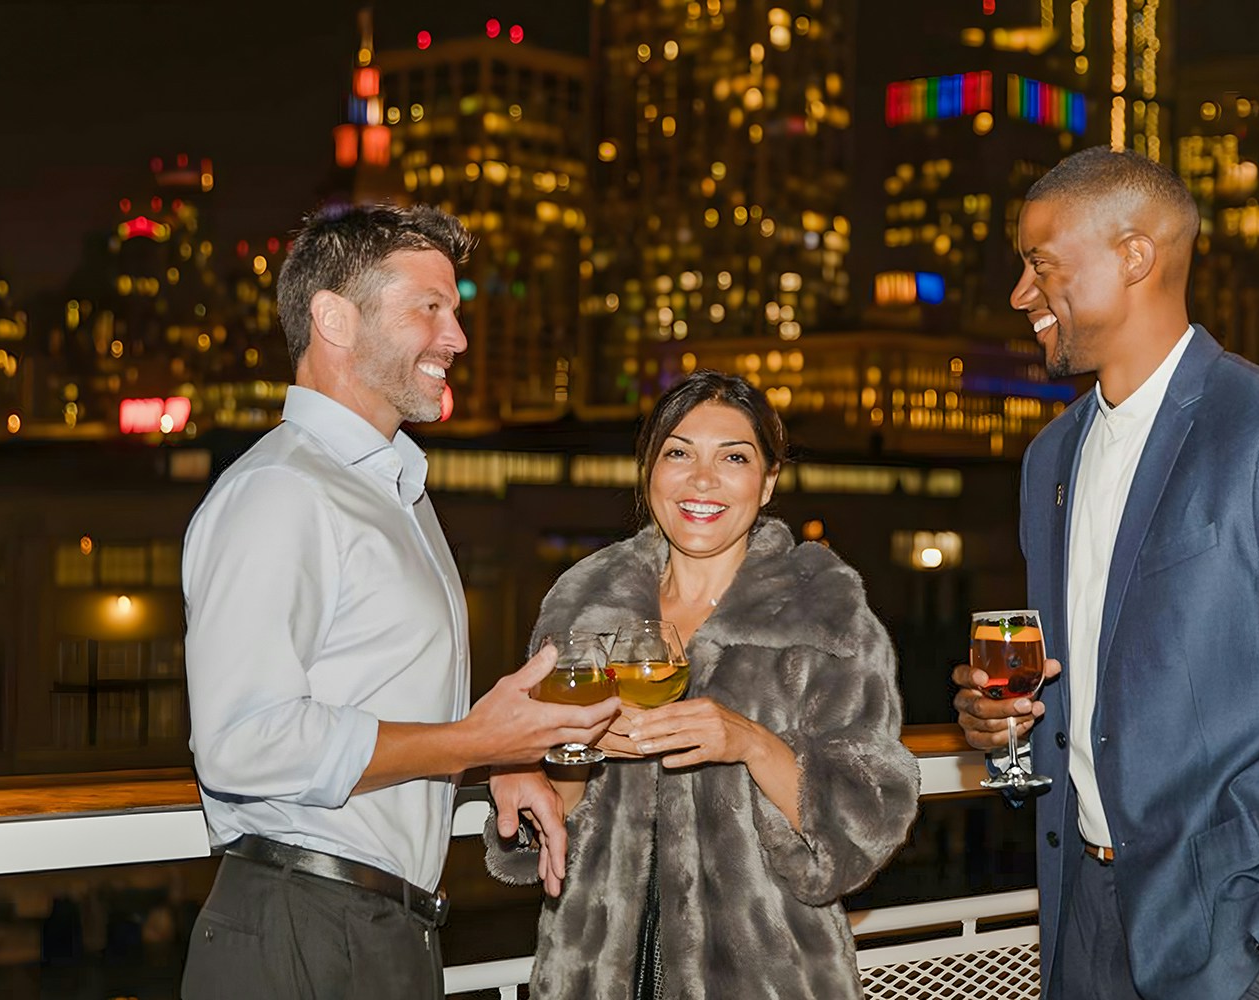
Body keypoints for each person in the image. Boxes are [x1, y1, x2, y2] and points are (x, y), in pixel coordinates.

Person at [953, 146, 1259, 1000]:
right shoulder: (1050, 459)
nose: (1019, 295)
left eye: (1039, 265)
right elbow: (1085, 709)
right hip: (1081, 922)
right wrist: (1005, 739)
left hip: (1231, 941)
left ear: (1135, 256)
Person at [178, 204, 620, 999]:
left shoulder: (393, 491)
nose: (456, 338)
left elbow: (367, 694)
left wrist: (491, 758)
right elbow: (242, 741)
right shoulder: (282, 489)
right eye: (430, 308)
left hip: (377, 928)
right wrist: (468, 742)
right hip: (301, 930)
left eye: (455, 311)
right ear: (334, 319)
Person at [486, 370, 920, 998]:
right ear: (650, 470)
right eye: (678, 453)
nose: (702, 480)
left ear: (768, 481)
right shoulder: (585, 600)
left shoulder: (822, 611)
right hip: (593, 969)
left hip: (768, 977)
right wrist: (541, 757)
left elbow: (867, 819)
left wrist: (748, 741)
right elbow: (556, 813)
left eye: (734, 457)